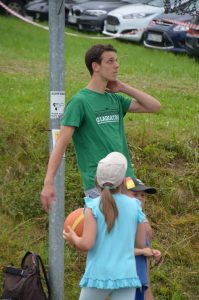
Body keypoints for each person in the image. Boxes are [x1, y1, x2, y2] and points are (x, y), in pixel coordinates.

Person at [40, 44, 161, 212]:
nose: (116, 65)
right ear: (95, 66)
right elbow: (60, 144)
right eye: (110, 61)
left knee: (130, 235)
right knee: (105, 236)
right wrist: (49, 182)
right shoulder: (79, 102)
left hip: (126, 181)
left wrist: (123, 88)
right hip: (100, 184)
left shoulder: (115, 99)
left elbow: (154, 106)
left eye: (116, 61)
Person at [63, 152, 146, 300]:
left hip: (98, 275)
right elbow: (140, 243)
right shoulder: (135, 205)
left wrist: (74, 238)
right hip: (126, 276)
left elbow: (87, 244)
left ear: (97, 181)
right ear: (124, 181)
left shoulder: (92, 206)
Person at [124, 177, 161, 300]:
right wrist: (142, 251)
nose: (140, 198)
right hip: (126, 279)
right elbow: (119, 250)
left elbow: (142, 247)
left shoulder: (139, 220)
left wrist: (151, 252)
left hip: (139, 279)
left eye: (142, 195)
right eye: (135, 194)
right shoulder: (124, 220)